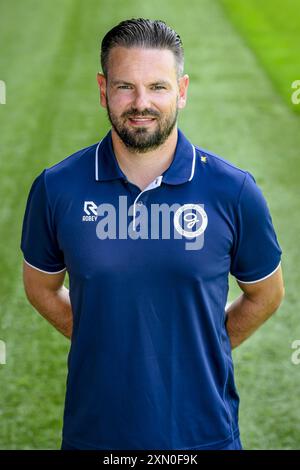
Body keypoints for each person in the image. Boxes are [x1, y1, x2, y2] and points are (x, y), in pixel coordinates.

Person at [20, 18, 284, 451]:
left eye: (158, 87)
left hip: (205, 438)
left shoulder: (234, 191)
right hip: (95, 437)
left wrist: (199, 346)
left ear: (181, 90)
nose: (141, 103)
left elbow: (266, 295)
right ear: (104, 90)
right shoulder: (56, 187)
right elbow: (40, 288)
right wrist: (105, 336)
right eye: (126, 87)